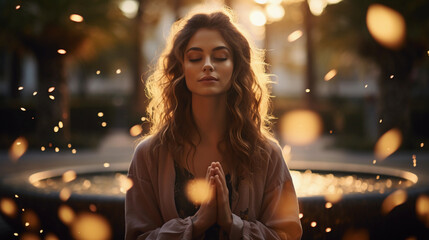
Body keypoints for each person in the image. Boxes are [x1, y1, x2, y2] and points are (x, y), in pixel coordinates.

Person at [125, 7, 302, 240]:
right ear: (180, 69)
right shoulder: (149, 155)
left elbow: (287, 235)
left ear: (236, 67)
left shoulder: (267, 154)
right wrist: (196, 224)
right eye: (195, 58)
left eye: (220, 57)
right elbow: (137, 236)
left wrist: (233, 224)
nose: (207, 65)